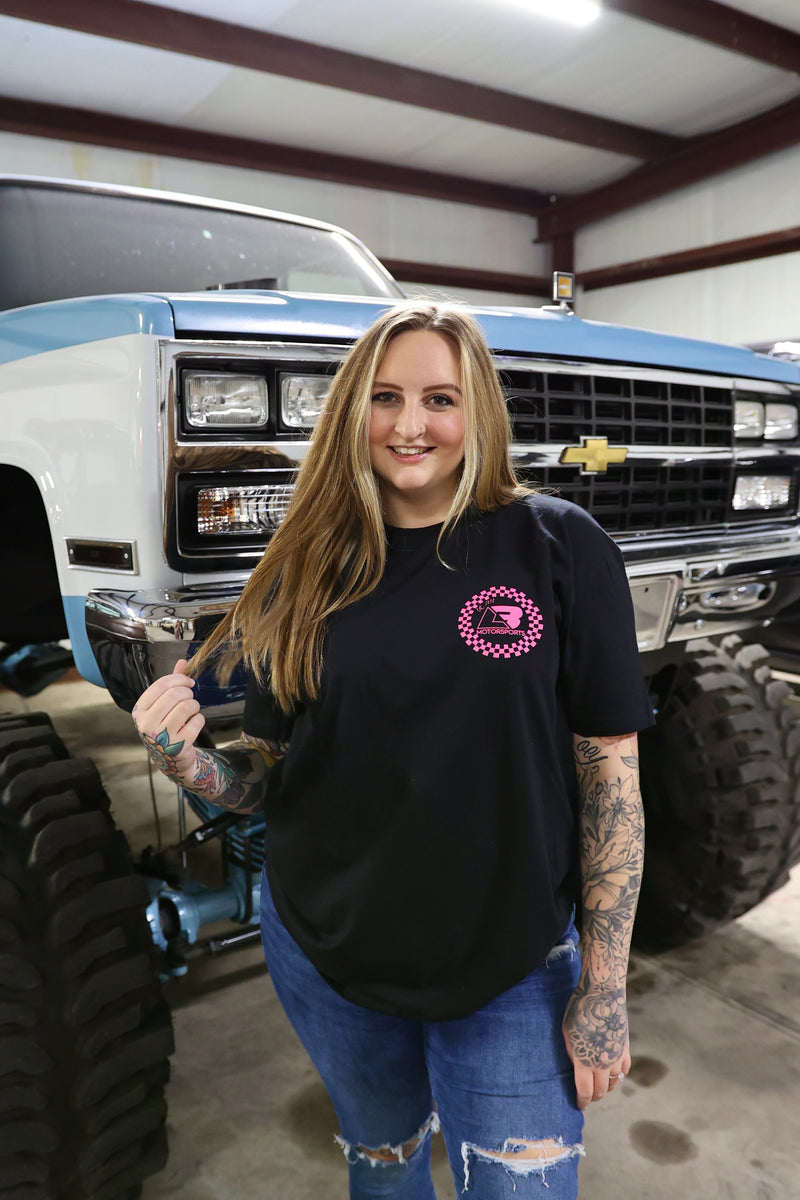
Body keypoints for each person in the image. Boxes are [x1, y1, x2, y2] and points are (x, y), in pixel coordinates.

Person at [133, 301, 652, 1199]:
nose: (412, 426)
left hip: (509, 964)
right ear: (351, 413)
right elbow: (267, 772)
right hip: (329, 952)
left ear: (478, 409)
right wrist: (190, 762)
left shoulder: (559, 545)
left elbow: (610, 778)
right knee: (384, 1165)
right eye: (385, 398)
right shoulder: (309, 561)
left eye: (440, 398)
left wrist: (603, 986)